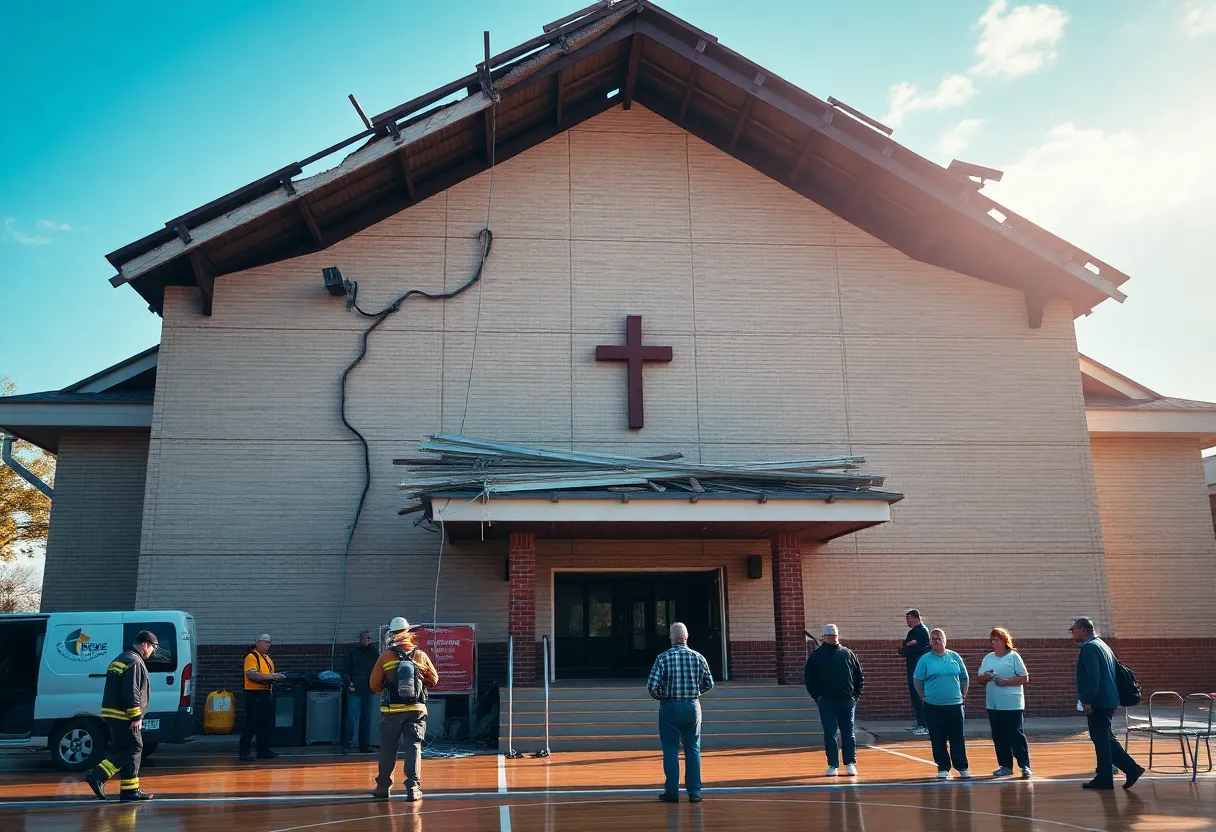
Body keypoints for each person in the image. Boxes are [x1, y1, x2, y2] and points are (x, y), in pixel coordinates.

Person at [83, 630, 161, 802]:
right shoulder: (134, 662)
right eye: (152, 648)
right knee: (134, 747)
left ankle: (129, 791)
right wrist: (135, 717)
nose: (152, 652)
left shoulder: (121, 658)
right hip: (124, 715)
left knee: (123, 749)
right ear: (145, 645)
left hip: (113, 713)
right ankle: (98, 775)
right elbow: (131, 691)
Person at [1070, 616, 1144, 790]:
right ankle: (1128, 769)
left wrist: (1087, 700)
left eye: (1073, 629)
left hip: (1099, 701)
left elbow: (1094, 677)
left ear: (1083, 630)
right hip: (1109, 699)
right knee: (1105, 737)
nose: (1072, 633)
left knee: (1101, 738)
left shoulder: (1089, 648)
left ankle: (1110, 776)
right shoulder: (1102, 645)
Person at [369, 617, 438, 801]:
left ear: (391, 634)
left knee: (388, 748)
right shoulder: (420, 655)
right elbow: (434, 680)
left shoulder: (385, 656)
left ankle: (383, 787)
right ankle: (413, 787)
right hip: (416, 710)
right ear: (408, 633)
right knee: (413, 747)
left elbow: (374, 685)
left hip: (391, 711)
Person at [647, 622, 714, 804]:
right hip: (692, 706)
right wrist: (695, 692)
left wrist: (662, 695)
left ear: (671, 638)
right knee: (693, 749)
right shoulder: (698, 657)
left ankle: (672, 792)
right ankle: (695, 792)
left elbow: (652, 686)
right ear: (686, 637)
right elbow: (709, 683)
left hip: (669, 706)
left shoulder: (662, 658)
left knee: (670, 749)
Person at [803, 623, 864, 777]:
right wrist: (817, 697)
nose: (834, 638)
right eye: (830, 636)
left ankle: (850, 763)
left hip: (847, 700)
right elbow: (809, 679)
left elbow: (859, 676)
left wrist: (855, 695)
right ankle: (832, 765)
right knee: (830, 733)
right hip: (827, 701)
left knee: (848, 733)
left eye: (835, 635)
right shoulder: (816, 656)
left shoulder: (847, 653)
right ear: (824, 637)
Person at [913, 627, 971, 780]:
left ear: (945, 640)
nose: (937, 640)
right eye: (934, 638)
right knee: (937, 737)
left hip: (955, 705)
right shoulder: (925, 659)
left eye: (939, 637)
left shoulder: (954, 657)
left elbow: (964, 678)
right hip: (933, 706)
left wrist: (963, 694)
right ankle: (943, 767)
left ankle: (962, 767)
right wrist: (922, 696)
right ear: (930, 642)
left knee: (957, 737)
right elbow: (917, 680)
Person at [977, 627, 1031, 778]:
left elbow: (1024, 677)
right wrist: (986, 677)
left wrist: (1007, 682)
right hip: (993, 704)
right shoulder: (988, 658)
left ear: (1004, 641)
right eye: (992, 640)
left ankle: (1024, 765)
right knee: (999, 736)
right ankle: (1005, 765)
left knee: (1016, 734)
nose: (994, 643)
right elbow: (979, 678)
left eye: (997, 640)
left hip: (1012, 703)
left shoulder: (1014, 657)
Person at [240, 633, 285, 762]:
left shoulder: (266, 658)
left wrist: (274, 676)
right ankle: (244, 751)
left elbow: (266, 674)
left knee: (265, 724)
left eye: (269, 642)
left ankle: (263, 750)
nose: (268, 644)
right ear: (257, 643)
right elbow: (252, 675)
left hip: (266, 693)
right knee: (252, 723)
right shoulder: (252, 657)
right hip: (254, 693)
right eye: (265, 642)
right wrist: (273, 677)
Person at [342, 628, 380, 754]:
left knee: (367, 719)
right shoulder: (353, 652)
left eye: (369, 638)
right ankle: (346, 744)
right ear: (360, 639)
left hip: (369, 689)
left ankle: (364, 745)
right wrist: (349, 683)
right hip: (355, 688)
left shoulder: (374, 653)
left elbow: (378, 670)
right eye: (365, 637)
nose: (367, 640)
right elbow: (345, 669)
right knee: (351, 719)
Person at [897, 609, 931, 736]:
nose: (907, 621)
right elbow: (903, 648)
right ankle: (920, 722)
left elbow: (918, 648)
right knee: (914, 696)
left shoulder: (922, 631)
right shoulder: (912, 632)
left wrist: (908, 647)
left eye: (908, 618)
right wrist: (906, 646)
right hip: (912, 667)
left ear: (916, 618)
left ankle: (924, 725)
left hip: (919, 669)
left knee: (920, 696)